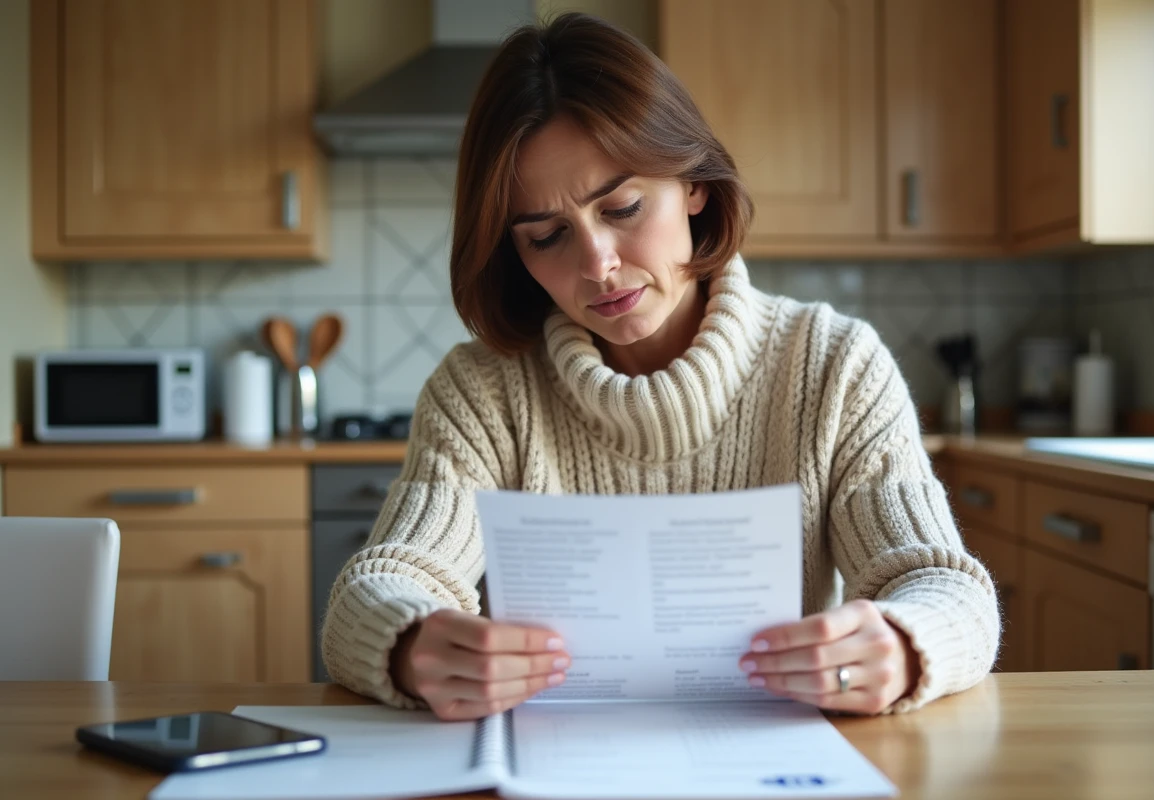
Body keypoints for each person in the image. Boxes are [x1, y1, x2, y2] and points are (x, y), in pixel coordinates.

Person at [321, 12, 999, 722]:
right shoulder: (483, 390)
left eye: (623, 207)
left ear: (695, 185)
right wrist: (408, 644)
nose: (596, 264)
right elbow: (378, 587)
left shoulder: (835, 366)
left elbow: (944, 586)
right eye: (547, 236)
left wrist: (904, 642)